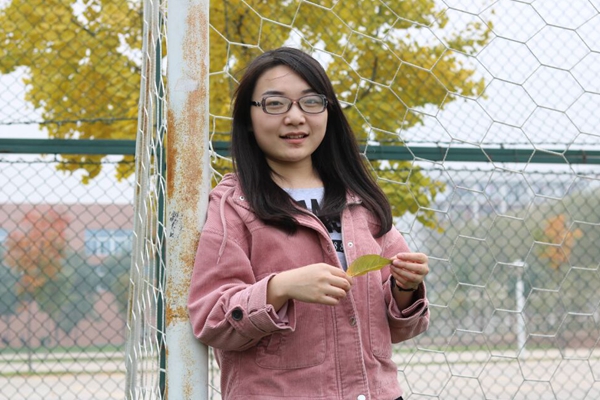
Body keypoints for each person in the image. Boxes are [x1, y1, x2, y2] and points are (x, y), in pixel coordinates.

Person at [188, 47, 430, 400]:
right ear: (248, 118)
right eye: (275, 104)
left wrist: (405, 287)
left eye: (311, 102)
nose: (295, 117)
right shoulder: (233, 207)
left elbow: (400, 329)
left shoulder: (362, 203)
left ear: (328, 111)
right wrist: (280, 288)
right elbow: (211, 319)